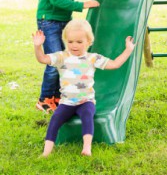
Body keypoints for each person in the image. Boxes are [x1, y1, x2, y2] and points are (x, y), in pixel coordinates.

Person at [32, 20, 135, 157]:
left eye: (79, 42)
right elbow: (42, 59)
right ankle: (46, 152)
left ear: (88, 42)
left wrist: (128, 50)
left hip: (86, 101)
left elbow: (115, 64)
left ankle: (87, 148)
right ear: (65, 41)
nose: (74, 45)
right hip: (66, 103)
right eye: (70, 41)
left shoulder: (92, 58)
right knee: (55, 120)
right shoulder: (61, 57)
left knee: (87, 115)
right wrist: (38, 46)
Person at [36, 0, 102, 113]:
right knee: (54, 60)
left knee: (67, 59)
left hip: (65, 20)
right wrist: (84, 5)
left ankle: (57, 96)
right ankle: (44, 99)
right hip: (48, 20)